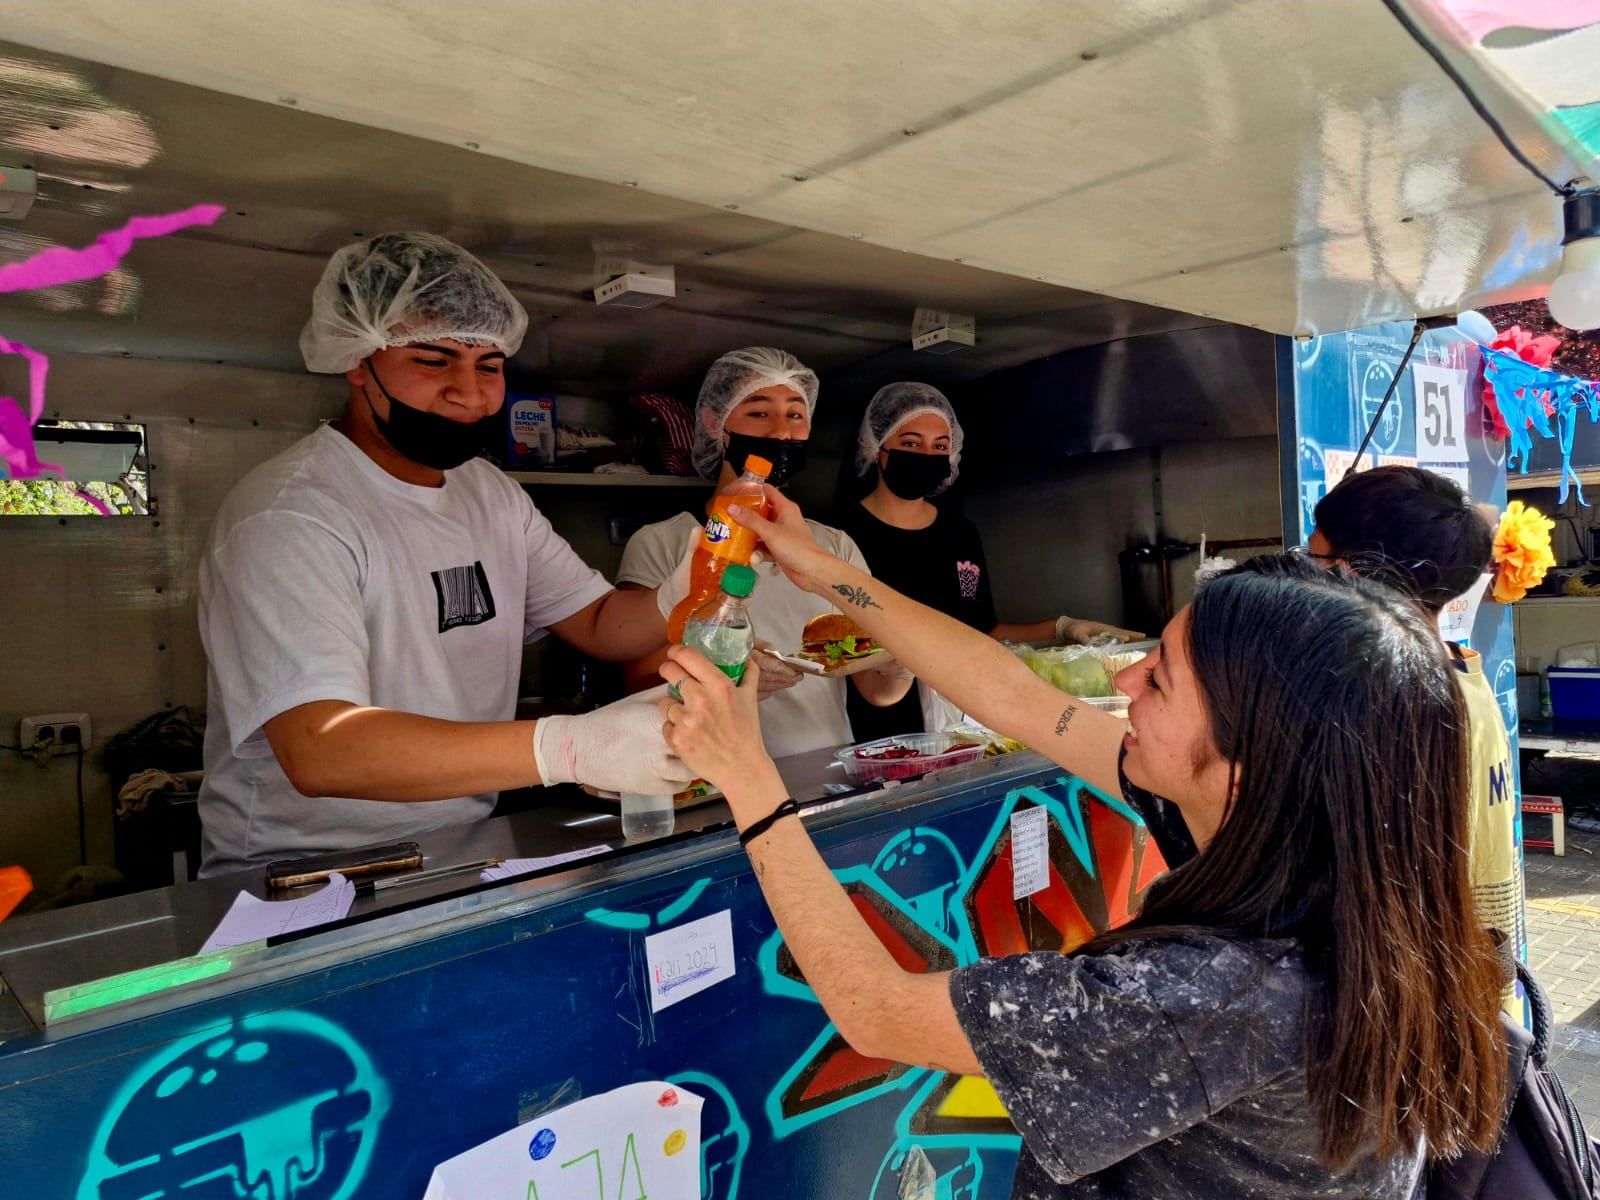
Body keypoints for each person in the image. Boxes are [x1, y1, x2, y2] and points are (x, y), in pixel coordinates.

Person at [658, 488, 1505, 1197]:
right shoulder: (1316, 855)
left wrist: (748, 778)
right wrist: (831, 575)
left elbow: (876, 1011)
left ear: (1250, 762)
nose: (1122, 676)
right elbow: (1020, 697)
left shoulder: (1213, 999)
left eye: (1160, 677)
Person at [196, 233, 690, 876]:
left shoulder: (489, 493)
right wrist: (567, 748)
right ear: (357, 358)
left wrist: (695, 586)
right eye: (433, 361)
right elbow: (323, 751)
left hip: (460, 842)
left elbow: (600, 623)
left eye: (489, 365)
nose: (471, 394)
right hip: (306, 869)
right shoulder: (293, 515)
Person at [616, 347, 912, 758]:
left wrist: (899, 664)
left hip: (828, 777)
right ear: (714, 423)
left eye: (795, 415)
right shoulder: (665, 544)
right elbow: (635, 683)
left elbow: (877, 689)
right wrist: (727, 680)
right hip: (714, 780)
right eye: (759, 413)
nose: (781, 433)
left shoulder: (832, 547)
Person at [840, 381, 1142, 738]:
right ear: (876, 447)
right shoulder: (842, 535)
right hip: (880, 725)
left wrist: (1063, 628)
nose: (926, 454)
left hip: (962, 718)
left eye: (940, 446)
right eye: (910, 443)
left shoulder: (959, 534)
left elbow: (984, 630)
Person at [1306, 465, 1521, 962]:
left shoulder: (1387, 700)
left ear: (1350, 572)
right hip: (1463, 992)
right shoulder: (1459, 671)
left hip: (1416, 1001)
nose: (1306, 579)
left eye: (1312, 558)